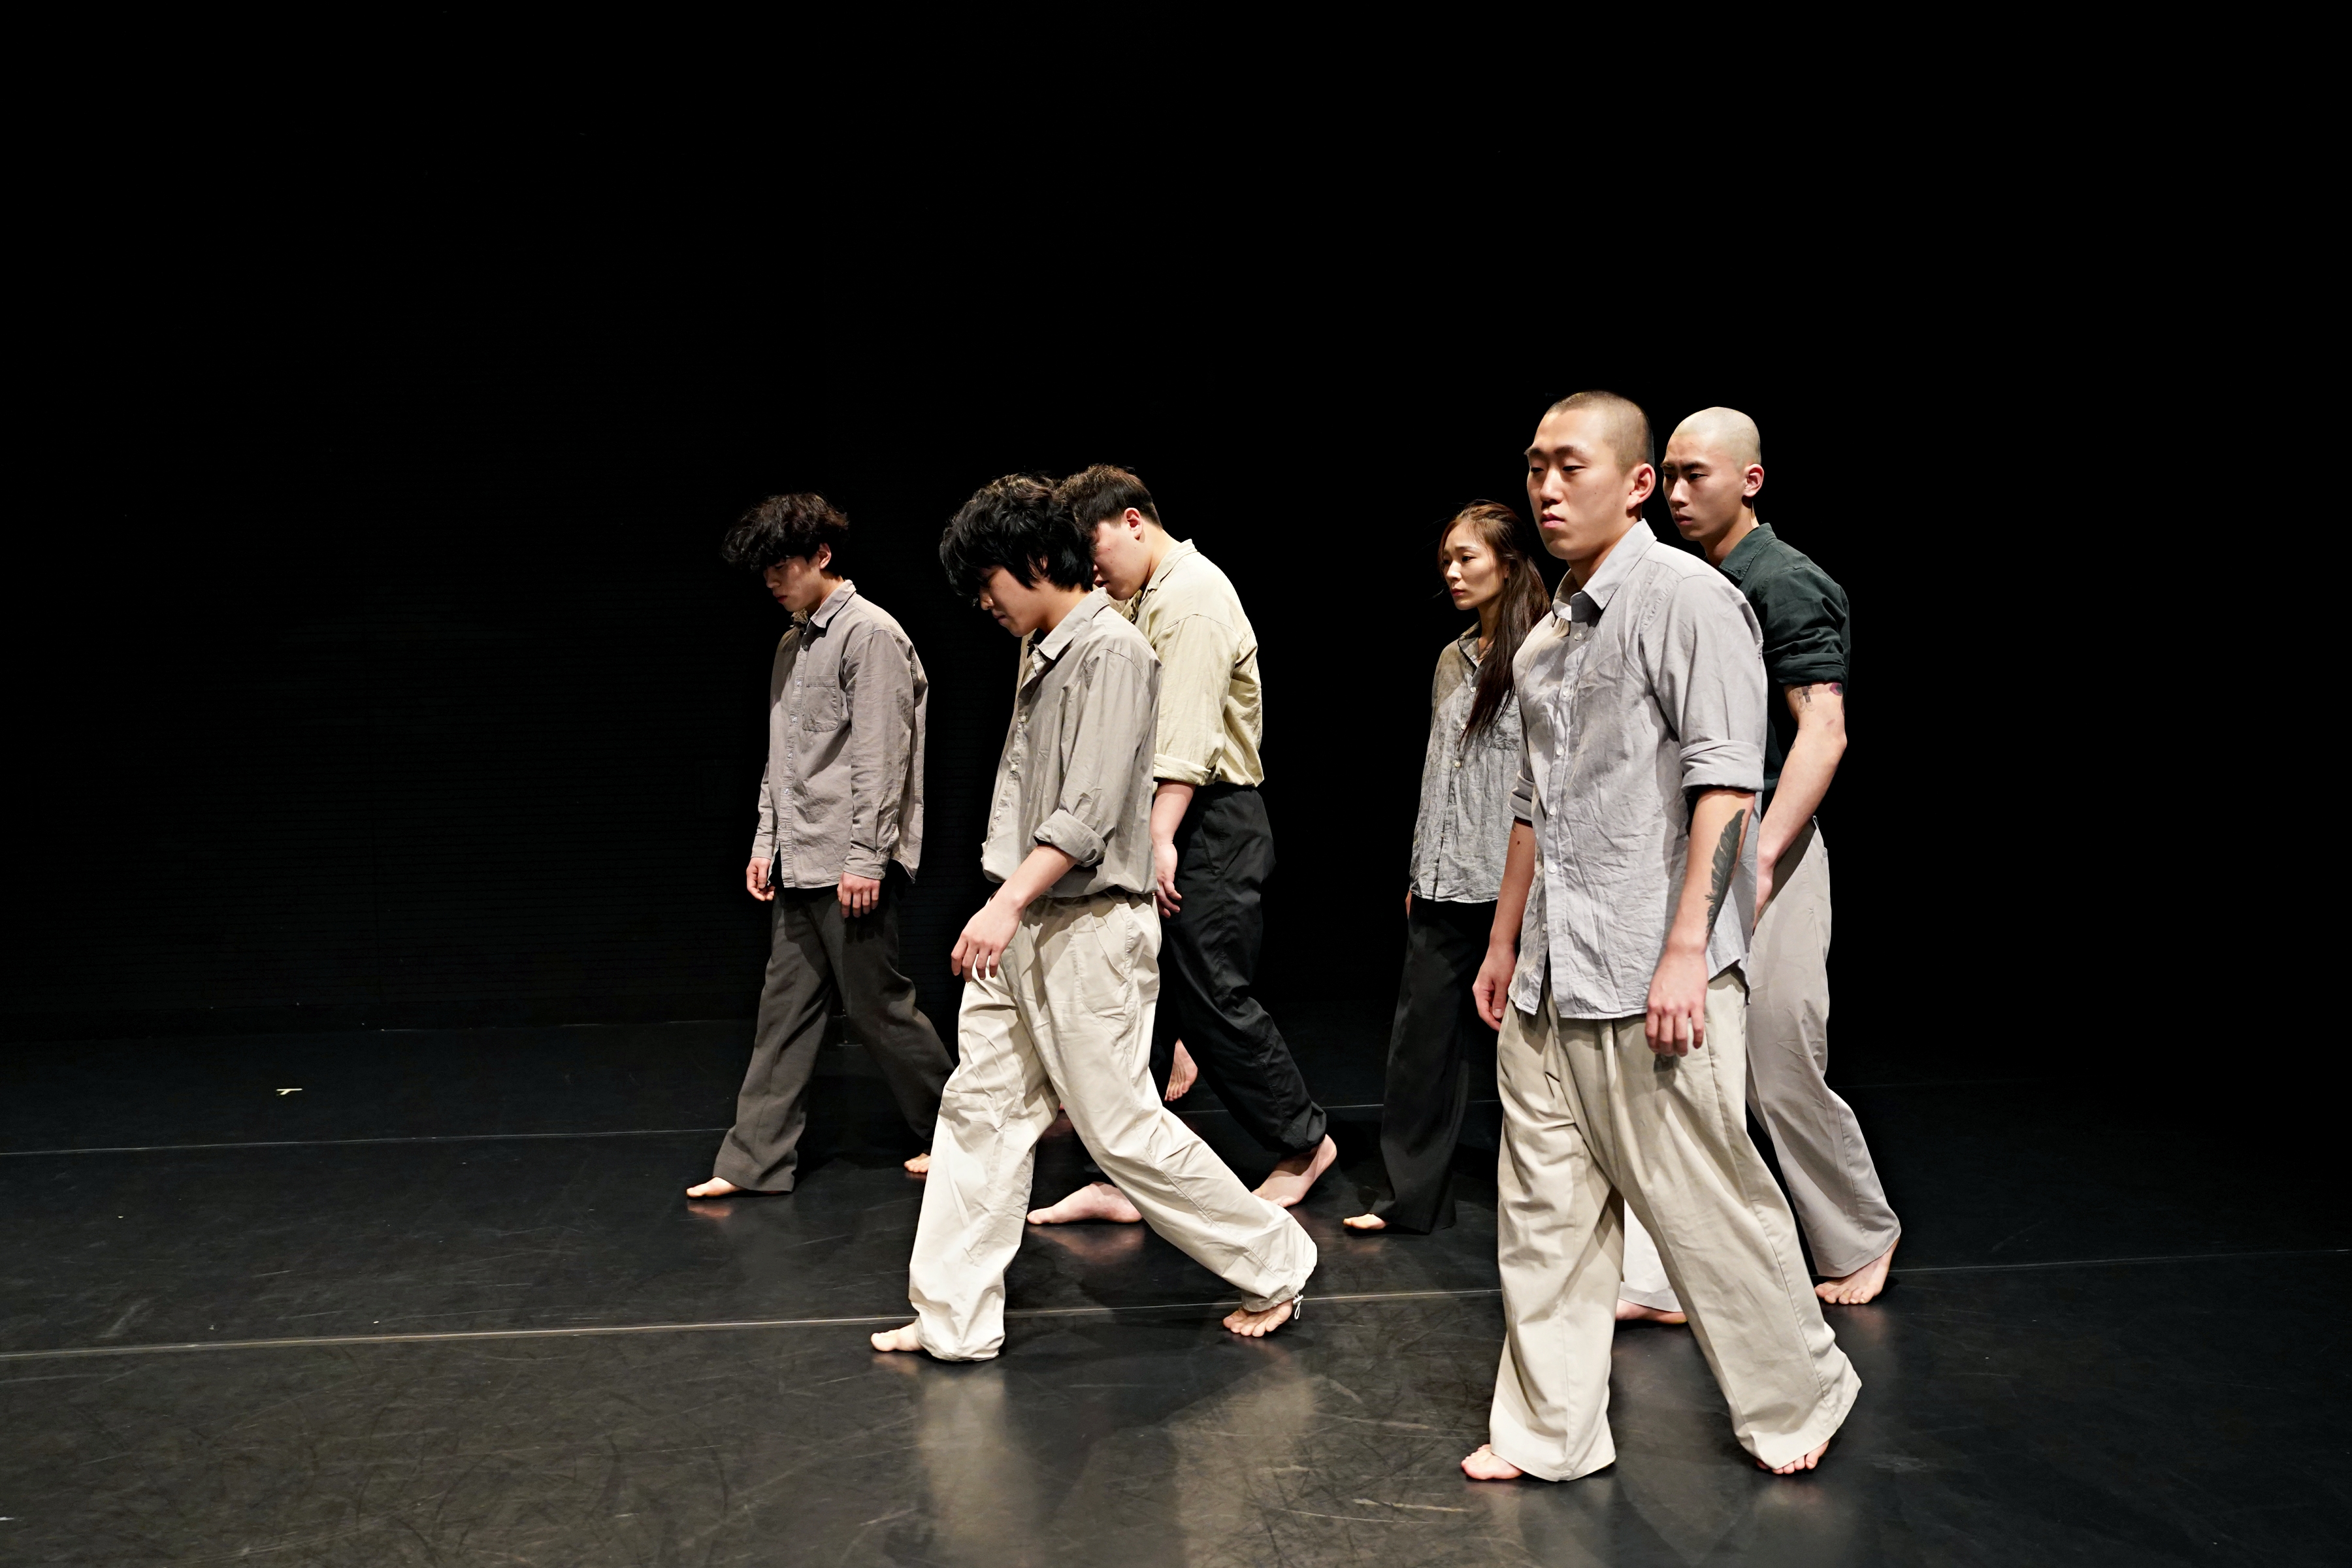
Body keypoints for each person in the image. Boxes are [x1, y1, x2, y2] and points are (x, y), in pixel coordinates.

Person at [1461, 393, 1858, 1483]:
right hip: (1551, 975)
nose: (1547, 488)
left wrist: (1689, 948)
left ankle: (1799, 1393)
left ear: (1638, 484)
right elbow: (1535, 806)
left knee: (1704, 1203)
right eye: (1535, 467)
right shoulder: (1548, 637)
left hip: (1648, 971)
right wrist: (1503, 943)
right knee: (1543, 1217)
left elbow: (1727, 782)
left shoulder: (1688, 599)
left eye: (1571, 466)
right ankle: (1549, 1433)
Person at [870, 476, 1314, 1360]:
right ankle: (954, 1317)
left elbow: (1086, 812)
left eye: (987, 581)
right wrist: (1010, 901)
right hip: (1027, 916)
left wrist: (1005, 903)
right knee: (980, 1112)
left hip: (1089, 926)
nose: (983, 602)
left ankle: (1277, 1261)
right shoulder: (1042, 651)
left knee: (1121, 1132)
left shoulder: (1113, 651)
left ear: (1038, 559)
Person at [1614, 408, 1898, 1313]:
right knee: (1677, 1062)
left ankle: (1859, 1232)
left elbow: (1825, 731)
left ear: (1750, 480)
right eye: (1668, 473)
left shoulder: (1783, 581)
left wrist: (1765, 853)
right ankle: (1664, 1274)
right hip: (1694, 850)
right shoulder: (1681, 584)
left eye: (1695, 474)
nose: (1677, 491)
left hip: (1770, 849)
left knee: (1776, 1060)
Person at [1024, 466, 1335, 1226]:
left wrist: (1161, 836)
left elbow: (1186, 738)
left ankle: (1304, 1144)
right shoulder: (1140, 598)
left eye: (1095, 545)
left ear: (1133, 521)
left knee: (1211, 992)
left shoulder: (1192, 596)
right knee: (1143, 998)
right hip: (1164, 815)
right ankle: (1126, 1176)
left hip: (1208, 819)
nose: (1092, 567)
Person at [689, 495, 952, 1201]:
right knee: (784, 1012)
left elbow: (882, 758)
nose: (773, 582)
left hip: (849, 863)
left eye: (783, 566)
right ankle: (753, 1162)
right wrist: (765, 842)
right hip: (800, 859)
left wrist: (866, 859)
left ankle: (964, 1136)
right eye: (764, 571)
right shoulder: (792, 644)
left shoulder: (871, 635)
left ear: (823, 555)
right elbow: (782, 755)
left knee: (877, 1007)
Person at [1343, 502, 1549, 1234]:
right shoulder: (1450, 658)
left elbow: (1542, 783)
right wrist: (1419, 867)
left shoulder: (1546, 652)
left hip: (1515, 885)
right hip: (1442, 881)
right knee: (1420, 1047)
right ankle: (1411, 1199)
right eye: (1447, 562)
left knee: (1531, 1054)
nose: (1453, 573)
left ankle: (1554, 1204)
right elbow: (1441, 772)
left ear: (1508, 563)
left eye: (1467, 558)